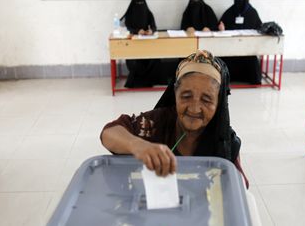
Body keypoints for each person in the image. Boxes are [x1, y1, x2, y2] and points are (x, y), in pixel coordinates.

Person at [100, 50, 241, 178]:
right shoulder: (155, 123)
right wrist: (138, 145)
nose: (194, 108)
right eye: (186, 96)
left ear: (219, 101)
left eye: (206, 100)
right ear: (175, 93)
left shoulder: (224, 141)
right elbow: (109, 133)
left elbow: (238, 186)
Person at [218, 0, 263, 85]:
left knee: (252, 59)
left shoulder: (252, 12)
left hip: (247, 47)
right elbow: (221, 23)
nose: (238, 0)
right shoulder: (230, 11)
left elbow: (259, 26)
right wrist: (221, 26)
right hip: (231, 46)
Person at [120, 0, 159, 88]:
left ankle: (148, 81)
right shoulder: (129, 14)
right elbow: (128, 28)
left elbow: (154, 27)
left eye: (141, 3)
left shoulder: (148, 13)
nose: (140, 5)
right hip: (133, 43)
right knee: (132, 60)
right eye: (138, 3)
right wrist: (137, 31)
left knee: (155, 57)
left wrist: (151, 31)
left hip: (147, 42)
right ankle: (136, 82)